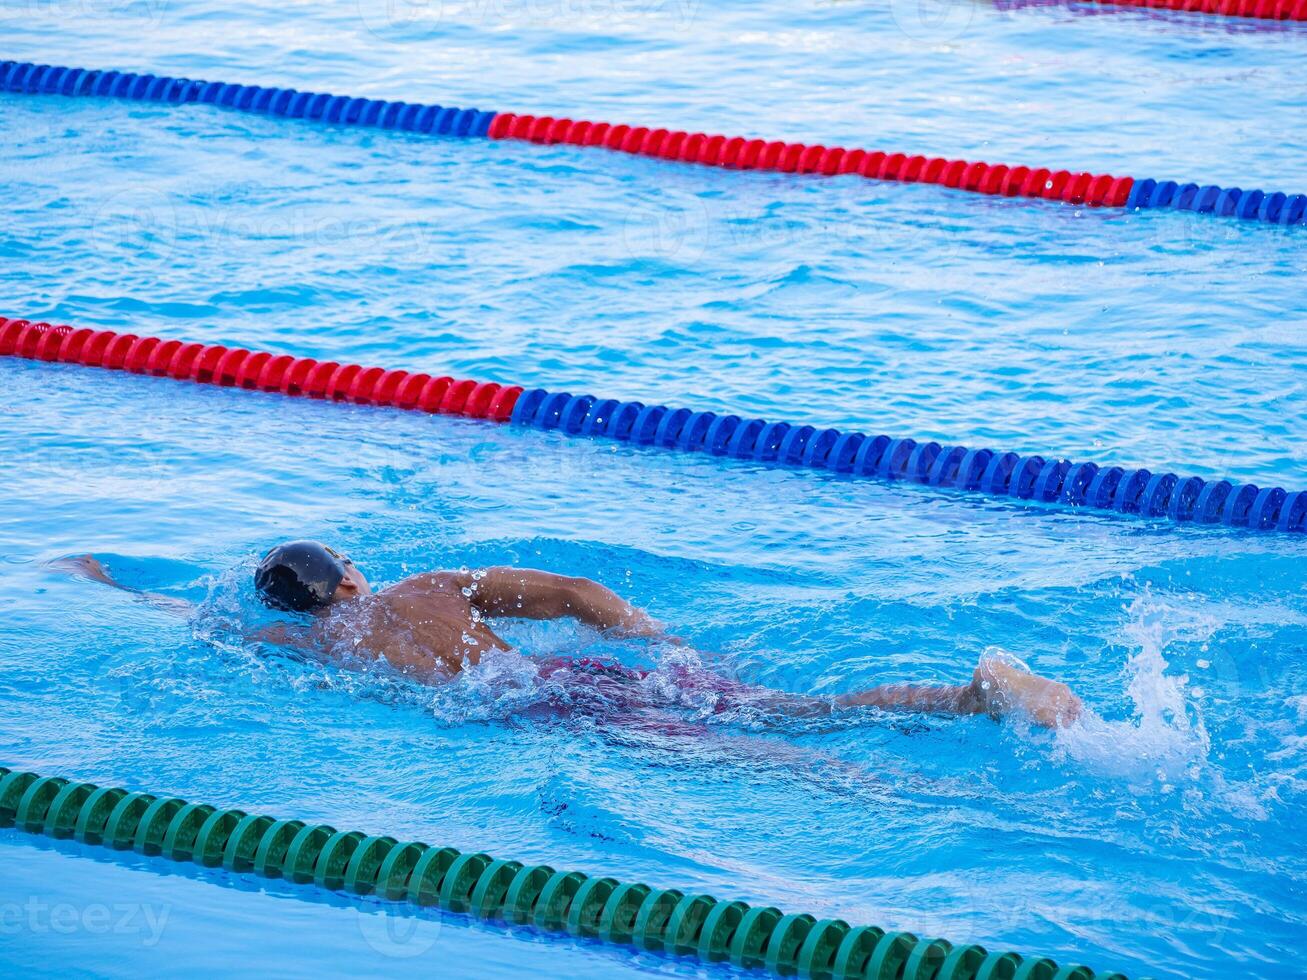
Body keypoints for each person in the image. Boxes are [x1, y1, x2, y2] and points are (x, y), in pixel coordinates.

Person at [54, 540, 1083, 729]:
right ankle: (966, 694)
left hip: (543, 711)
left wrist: (98, 580)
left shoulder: (306, 646)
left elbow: (183, 619)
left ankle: (968, 704)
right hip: (569, 671)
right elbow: (576, 587)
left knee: (775, 751)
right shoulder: (426, 582)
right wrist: (667, 640)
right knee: (779, 710)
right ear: (353, 572)